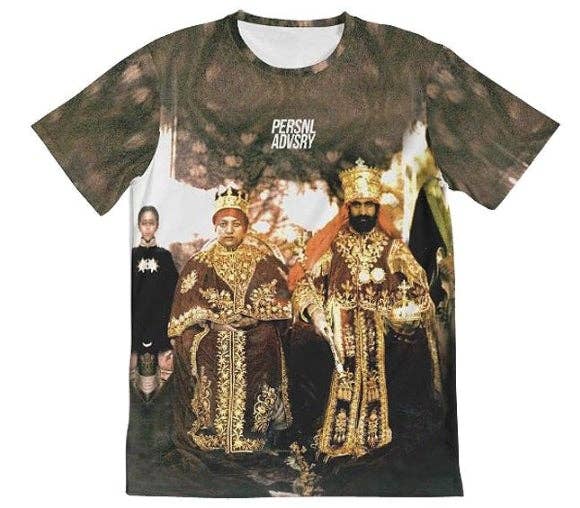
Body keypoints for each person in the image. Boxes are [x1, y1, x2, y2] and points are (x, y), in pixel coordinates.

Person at [289, 159, 442, 459]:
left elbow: (420, 290)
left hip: (385, 334)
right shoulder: (333, 248)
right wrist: (316, 314)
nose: (362, 212)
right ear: (348, 208)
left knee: (408, 355)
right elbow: (306, 285)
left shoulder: (394, 250)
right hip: (338, 333)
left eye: (368, 205)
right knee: (302, 344)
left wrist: (403, 314)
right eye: (356, 205)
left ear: (376, 207)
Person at [168, 185, 293, 454]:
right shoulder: (200, 263)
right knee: (199, 343)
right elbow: (185, 309)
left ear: (245, 227)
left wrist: (254, 319)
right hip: (211, 331)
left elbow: (280, 303)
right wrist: (213, 323)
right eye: (223, 224)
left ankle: (254, 431)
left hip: (253, 331)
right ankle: (210, 429)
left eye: (235, 224)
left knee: (267, 338)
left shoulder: (263, 260)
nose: (229, 230)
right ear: (215, 227)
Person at [131, 206, 178, 401]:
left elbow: (174, 289)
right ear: (139, 226)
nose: (148, 227)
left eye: (151, 223)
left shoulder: (164, 256)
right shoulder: (131, 255)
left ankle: (158, 404)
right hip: (136, 320)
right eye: (144, 223)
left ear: (157, 225)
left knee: (161, 371)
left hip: (159, 320)